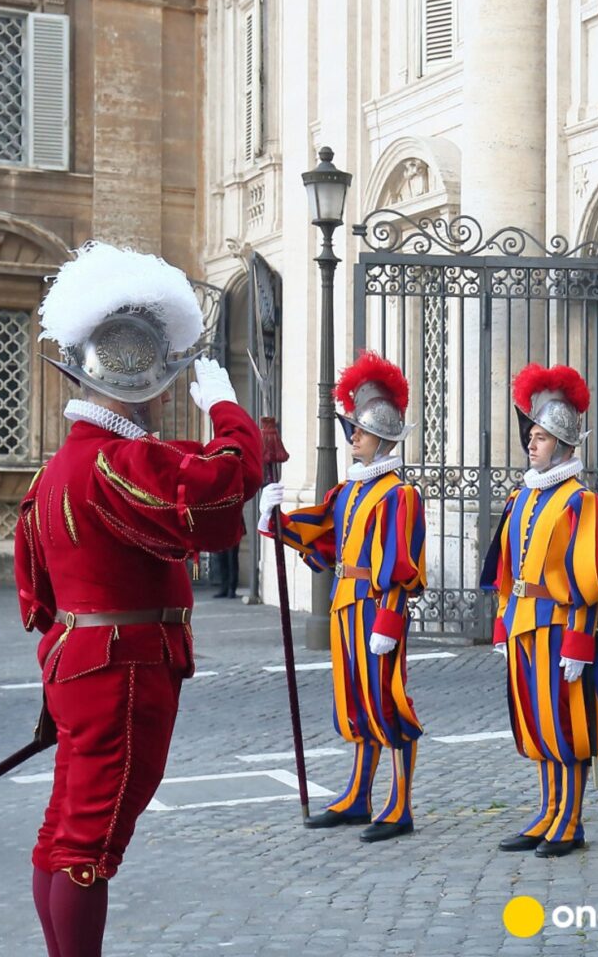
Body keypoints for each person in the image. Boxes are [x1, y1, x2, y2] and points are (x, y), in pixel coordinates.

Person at [15, 242, 262, 956]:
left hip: (76, 661)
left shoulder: (60, 468)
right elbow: (222, 482)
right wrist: (226, 412)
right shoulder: (114, 460)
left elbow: (36, 590)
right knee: (91, 844)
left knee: (64, 830)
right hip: (122, 671)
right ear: (150, 386)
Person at [262, 351, 426, 841]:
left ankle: (399, 805)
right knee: (355, 702)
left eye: (359, 429)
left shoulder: (399, 494)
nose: (351, 436)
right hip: (345, 605)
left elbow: (402, 567)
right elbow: (321, 532)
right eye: (350, 428)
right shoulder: (350, 491)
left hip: (377, 609)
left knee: (387, 702)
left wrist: (390, 623)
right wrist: (278, 520)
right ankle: (358, 795)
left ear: (383, 436)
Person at [479, 364, 598, 858]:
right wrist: (504, 624)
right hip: (525, 625)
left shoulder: (580, 502)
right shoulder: (522, 495)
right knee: (536, 723)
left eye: (542, 438)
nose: (532, 443)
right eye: (532, 435)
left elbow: (592, 581)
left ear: (565, 446)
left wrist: (579, 641)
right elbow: (506, 571)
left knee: (567, 724)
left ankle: (570, 820)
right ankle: (548, 811)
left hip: (561, 629)